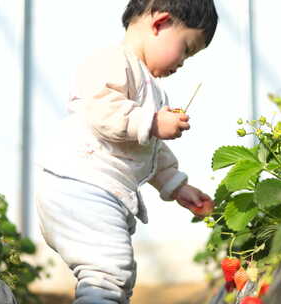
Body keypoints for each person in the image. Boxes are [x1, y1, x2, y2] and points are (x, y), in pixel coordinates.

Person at [35, 1, 218, 303]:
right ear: (160, 23)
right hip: (79, 184)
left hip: (95, 191)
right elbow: (100, 109)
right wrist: (154, 121)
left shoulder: (153, 90)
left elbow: (150, 149)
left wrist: (176, 185)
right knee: (108, 273)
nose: (183, 62)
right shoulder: (111, 61)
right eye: (186, 49)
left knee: (115, 274)